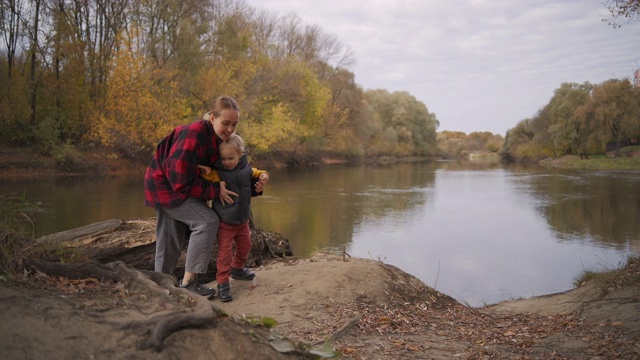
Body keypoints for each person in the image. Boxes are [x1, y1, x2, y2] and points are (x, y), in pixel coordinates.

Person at [144, 95, 240, 298]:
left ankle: (161, 287)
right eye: (226, 123)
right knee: (206, 221)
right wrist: (214, 190)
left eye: (234, 124)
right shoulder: (194, 133)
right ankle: (189, 284)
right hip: (164, 186)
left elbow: (229, 168)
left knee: (170, 237)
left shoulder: (217, 139)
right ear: (212, 118)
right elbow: (179, 180)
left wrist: (256, 183)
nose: (230, 129)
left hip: (172, 184)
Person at [198, 134, 269, 302]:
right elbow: (205, 175)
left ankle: (237, 268)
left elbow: (259, 173)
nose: (227, 162)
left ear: (240, 155)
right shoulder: (217, 173)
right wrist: (204, 169)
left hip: (242, 220)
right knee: (225, 253)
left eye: (231, 158)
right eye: (223, 159)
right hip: (225, 221)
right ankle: (222, 283)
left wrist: (265, 175)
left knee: (246, 245)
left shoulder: (246, 169)